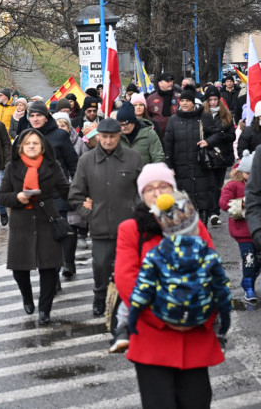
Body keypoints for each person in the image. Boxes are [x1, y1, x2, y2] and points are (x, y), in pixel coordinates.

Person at [115, 174, 227, 407]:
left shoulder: (191, 222)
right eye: (150, 189)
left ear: (173, 190)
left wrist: (205, 315)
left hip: (196, 329)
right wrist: (163, 318)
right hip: (152, 334)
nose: (157, 193)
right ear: (141, 195)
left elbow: (212, 272)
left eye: (163, 186)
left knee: (197, 401)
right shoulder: (131, 228)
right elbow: (127, 280)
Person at [69, 118, 144, 315]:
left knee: (129, 267)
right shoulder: (86, 161)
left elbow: (142, 190)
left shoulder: (133, 158)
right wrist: (89, 214)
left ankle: (129, 299)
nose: (108, 141)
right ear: (98, 137)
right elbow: (75, 195)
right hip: (100, 225)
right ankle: (100, 296)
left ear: (119, 136)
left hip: (128, 226)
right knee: (101, 265)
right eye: (104, 137)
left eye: (112, 137)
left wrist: (136, 211)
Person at [0, 129, 66, 324]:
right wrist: (17, 197)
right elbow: (1, 197)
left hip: (47, 219)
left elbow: (65, 190)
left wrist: (84, 198)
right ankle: (27, 297)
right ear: (21, 147)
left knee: (50, 269)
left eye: (36, 143)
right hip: (21, 222)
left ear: (42, 146)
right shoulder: (12, 167)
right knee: (19, 269)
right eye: (28, 143)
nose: (32, 146)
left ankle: (45, 309)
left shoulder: (52, 166)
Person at [163, 87, 220, 225]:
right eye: (181, 100)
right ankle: (188, 229)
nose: (184, 103)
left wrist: (207, 141)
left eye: (187, 100)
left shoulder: (203, 117)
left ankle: (203, 228)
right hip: (180, 165)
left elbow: (217, 134)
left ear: (193, 102)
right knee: (184, 199)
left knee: (203, 197)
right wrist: (169, 165)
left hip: (200, 164)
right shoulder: (174, 120)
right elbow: (168, 144)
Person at [219, 152, 258, 302]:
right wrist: (246, 204)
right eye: (249, 173)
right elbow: (223, 203)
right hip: (243, 232)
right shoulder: (233, 185)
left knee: (257, 262)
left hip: (258, 230)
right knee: (249, 260)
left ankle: (248, 282)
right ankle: (248, 288)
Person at [204, 85, 236, 225]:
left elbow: (232, 136)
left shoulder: (226, 116)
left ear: (219, 100)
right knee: (209, 184)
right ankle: (211, 211)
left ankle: (215, 212)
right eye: (210, 99)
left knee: (218, 185)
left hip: (222, 155)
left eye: (215, 99)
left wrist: (220, 136)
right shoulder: (202, 114)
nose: (212, 102)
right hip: (208, 154)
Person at [146, 72, 180, 136]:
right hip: (157, 135)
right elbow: (147, 117)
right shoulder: (151, 98)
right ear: (160, 83)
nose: (171, 83)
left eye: (172, 81)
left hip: (177, 135)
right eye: (168, 81)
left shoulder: (179, 97)